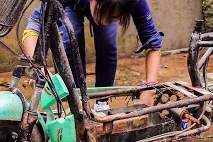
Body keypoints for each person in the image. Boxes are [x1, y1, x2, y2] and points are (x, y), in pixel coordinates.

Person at [22, 0, 163, 111]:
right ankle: (77, 102)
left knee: (107, 43)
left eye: (114, 17)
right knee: (71, 40)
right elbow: (35, 26)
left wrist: (150, 88)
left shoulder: (135, 1)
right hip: (73, 5)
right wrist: (39, 68)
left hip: (103, 4)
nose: (104, 21)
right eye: (103, 13)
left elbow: (152, 40)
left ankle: (102, 102)